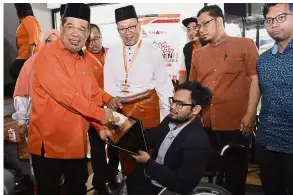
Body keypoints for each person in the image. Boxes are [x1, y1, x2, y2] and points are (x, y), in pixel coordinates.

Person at [28, 4, 121, 195]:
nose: (75, 34)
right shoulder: (47, 56)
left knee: (78, 189)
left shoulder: (84, 57)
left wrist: (101, 126)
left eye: (81, 29)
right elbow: (67, 96)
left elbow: (93, 92)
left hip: (76, 145)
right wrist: (102, 116)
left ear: (87, 33)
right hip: (49, 147)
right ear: (61, 28)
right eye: (70, 27)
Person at [189, 5, 260, 195]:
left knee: (235, 177)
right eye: (198, 26)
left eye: (205, 24)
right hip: (206, 124)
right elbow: (193, 89)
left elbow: (256, 79)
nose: (200, 29)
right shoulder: (198, 55)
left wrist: (250, 114)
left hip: (236, 123)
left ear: (219, 21)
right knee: (210, 175)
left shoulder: (245, 44)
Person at [104, 5, 174, 176]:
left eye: (131, 27)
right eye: (122, 29)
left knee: (147, 154)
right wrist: (109, 117)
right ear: (117, 30)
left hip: (147, 109)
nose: (127, 32)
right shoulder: (112, 52)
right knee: (125, 154)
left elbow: (164, 86)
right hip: (120, 110)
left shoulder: (153, 51)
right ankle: (129, 184)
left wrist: (169, 121)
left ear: (139, 25)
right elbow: (108, 88)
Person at [126, 81, 214, 195]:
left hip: (165, 189)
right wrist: (124, 127)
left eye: (179, 104)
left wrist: (147, 162)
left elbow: (182, 184)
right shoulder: (171, 119)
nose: (172, 107)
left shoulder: (198, 142)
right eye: (173, 101)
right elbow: (150, 138)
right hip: (148, 177)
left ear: (195, 110)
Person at [256, 3, 293, 195]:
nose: (274, 24)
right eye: (269, 20)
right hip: (267, 142)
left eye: (281, 17)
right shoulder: (263, 60)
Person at [86, 24, 119, 195]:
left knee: (115, 146)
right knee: (98, 149)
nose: (94, 43)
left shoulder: (112, 53)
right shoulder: (83, 59)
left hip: (114, 109)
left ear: (101, 36)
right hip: (94, 110)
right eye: (89, 40)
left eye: (97, 38)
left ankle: (112, 175)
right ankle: (99, 181)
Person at [10, 3, 41, 81]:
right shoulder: (23, 21)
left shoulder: (29, 18)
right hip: (23, 55)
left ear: (23, 11)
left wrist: (29, 58)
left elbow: (33, 36)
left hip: (29, 55)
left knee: (14, 70)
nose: (17, 13)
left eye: (18, 10)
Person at [179, 17, 205, 84]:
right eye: (188, 29)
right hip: (191, 88)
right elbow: (183, 72)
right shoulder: (187, 48)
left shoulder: (210, 45)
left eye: (195, 28)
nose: (191, 33)